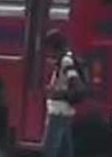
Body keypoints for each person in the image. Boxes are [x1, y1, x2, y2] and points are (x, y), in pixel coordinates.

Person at [42, 29, 83, 157]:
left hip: (58, 112)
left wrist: (57, 93)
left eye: (49, 47)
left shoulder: (66, 62)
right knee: (65, 151)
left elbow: (76, 85)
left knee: (50, 150)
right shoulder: (63, 61)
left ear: (55, 46)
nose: (48, 52)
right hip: (63, 112)